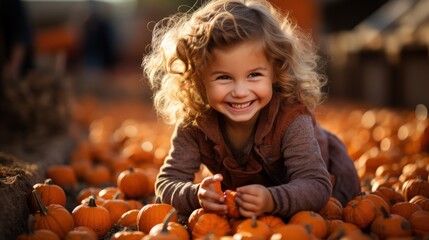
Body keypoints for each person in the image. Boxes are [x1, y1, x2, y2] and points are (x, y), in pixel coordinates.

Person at [143, 0, 360, 221]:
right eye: (224, 77)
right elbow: (167, 182)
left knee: (330, 216)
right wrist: (195, 195)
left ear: (275, 72)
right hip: (254, 218)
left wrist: (271, 200)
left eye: (254, 75)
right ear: (199, 80)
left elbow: (316, 185)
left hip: (325, 185)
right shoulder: (196, 123)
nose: (240, 91)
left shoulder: (291, 120)